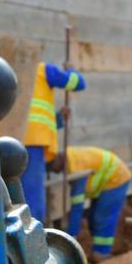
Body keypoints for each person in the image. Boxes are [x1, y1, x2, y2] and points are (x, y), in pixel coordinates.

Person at [21, 63, 86, 223]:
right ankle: (32, 234)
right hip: (33, 143)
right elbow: (78, 83)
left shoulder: (14, 71)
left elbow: (30, 116)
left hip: (12, 140)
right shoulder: (43, 70)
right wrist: (71, 70)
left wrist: (58, 119)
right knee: (32, 198)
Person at [48, 145, 131, 263]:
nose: (55, 172)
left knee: (102, 216)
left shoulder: (77, 170)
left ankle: (102, 253)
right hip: (105, 181)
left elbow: (77, 208)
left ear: (59, 160)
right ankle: (97, 250)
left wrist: (70, 238)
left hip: (117, 178)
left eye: (53, 168)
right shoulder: (71, 159)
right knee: (93, 215)